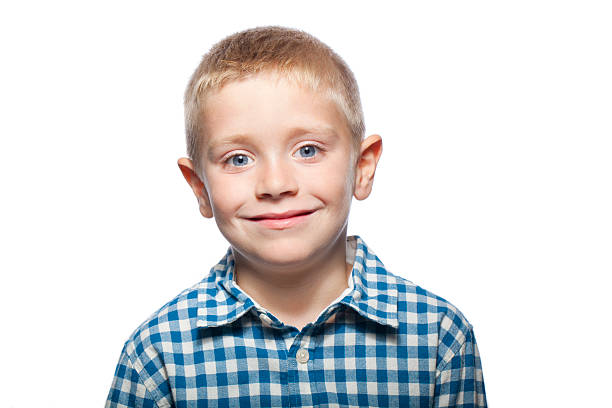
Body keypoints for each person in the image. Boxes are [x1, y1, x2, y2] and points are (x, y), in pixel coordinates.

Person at [106, 26, 487, 407]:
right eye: (238, 159)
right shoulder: (157, 355)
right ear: (199, 187)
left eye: (307, 150)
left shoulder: (439, 337)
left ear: (363, 167)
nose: (275, 184)